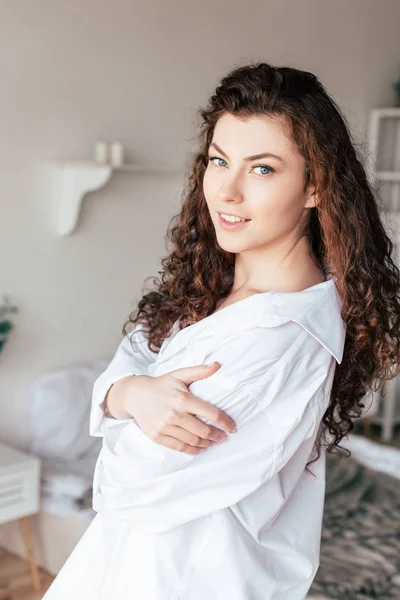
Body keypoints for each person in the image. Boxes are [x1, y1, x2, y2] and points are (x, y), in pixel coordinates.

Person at [43, 62, 400, 600]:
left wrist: (122, 397)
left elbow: (129, 483)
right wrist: (131, 392)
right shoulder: (209, 287)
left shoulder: (281, 338)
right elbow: (124, 364)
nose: (226, 192)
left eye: (262, 169)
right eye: (218, 160)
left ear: (315, 186)